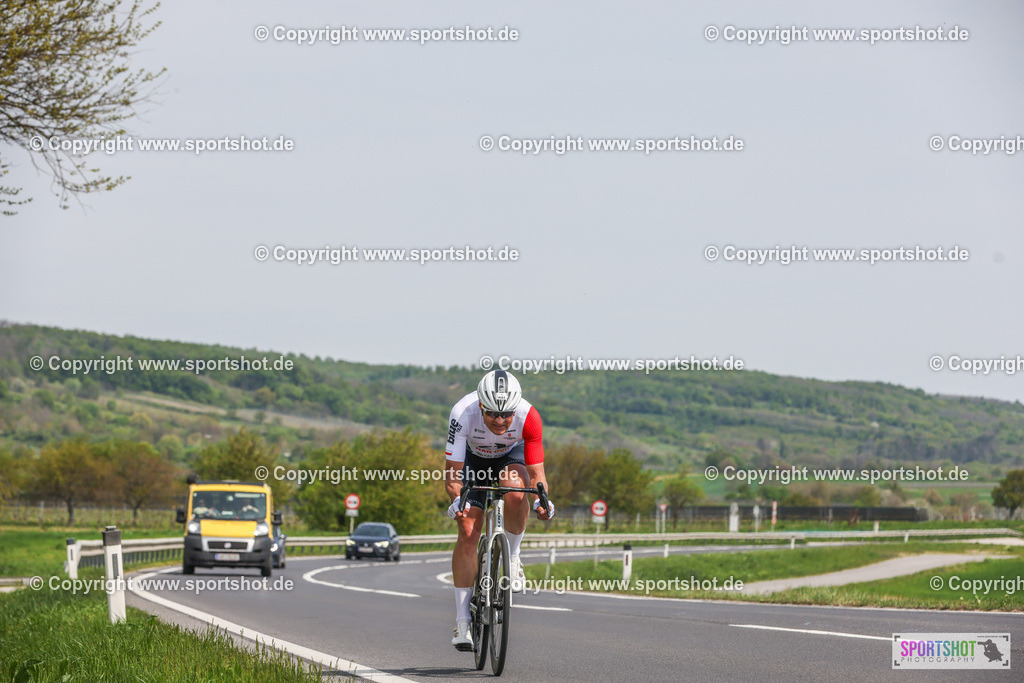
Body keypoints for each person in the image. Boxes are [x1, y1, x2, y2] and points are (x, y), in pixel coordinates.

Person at [444, 370, 554, 650]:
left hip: (510, 457)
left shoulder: (529, 417)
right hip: (473, 461)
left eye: (506, 414)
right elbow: (453, 478)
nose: (500, 420)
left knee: (518, 492)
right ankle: (462, 621)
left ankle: (513, 557)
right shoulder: (462, 413)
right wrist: (459, 502)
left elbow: (536, 474)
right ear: (481, 405)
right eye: (492, 413)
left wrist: (542, 501)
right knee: (468, 529)